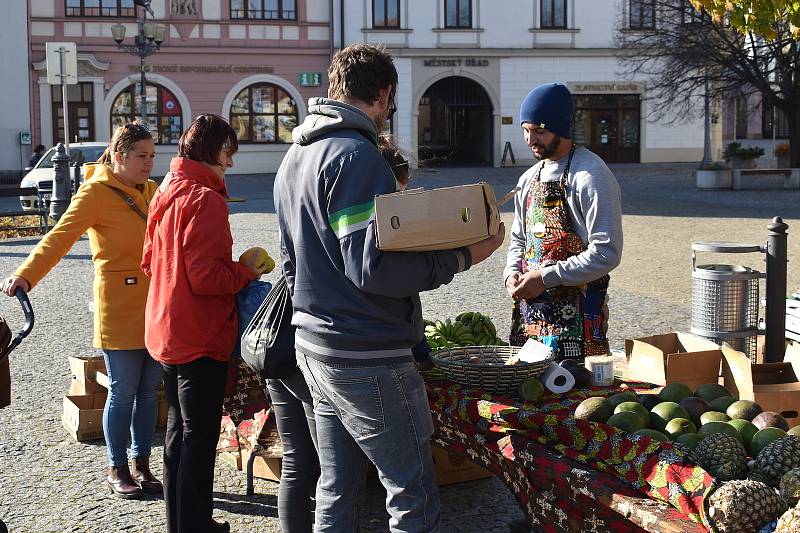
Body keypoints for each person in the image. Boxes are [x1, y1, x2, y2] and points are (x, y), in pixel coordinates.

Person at [273, 43, 505, 532]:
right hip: (366, 353)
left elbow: (292, 265)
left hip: (313, 344)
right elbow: (371, 269)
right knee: (413, 487)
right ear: (384, 94)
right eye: (391, 105)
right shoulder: (358, 156)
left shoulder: (297, 154)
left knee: (336, 489)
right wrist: (464, 255)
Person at [2, 123, 163, 499]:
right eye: (142, 156)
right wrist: (25, 274)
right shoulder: (94, 193)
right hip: (118, 306)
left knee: (149, 391)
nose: (149, 163)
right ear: (120, 156)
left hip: (155, 306)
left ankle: (142, 463)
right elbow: (58, 238)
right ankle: (117, 466)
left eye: (152, 156)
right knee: (123, 390)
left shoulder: (152, 191)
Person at [141, 114, 267, 533]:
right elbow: (208, 277)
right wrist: (246, 270)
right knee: (198, 437)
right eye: (227, 152)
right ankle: (195, 525)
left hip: (164, 327)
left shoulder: (166, 190)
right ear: (210, 151)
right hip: (200, 334)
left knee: (178, 432)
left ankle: (180, 522)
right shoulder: (205, 199)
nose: (230, 163)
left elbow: (147, 264)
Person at [504, 82, 623, 362]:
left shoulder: (592, 176)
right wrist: (511, 274)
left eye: (540, 131)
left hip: (579, 324)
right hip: (530, 320)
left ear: (563, 129)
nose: (530, 139)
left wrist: (546, 277)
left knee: (576, 399)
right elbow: (519, 240)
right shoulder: (528, 178)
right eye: (525, 130)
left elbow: (607, 252)